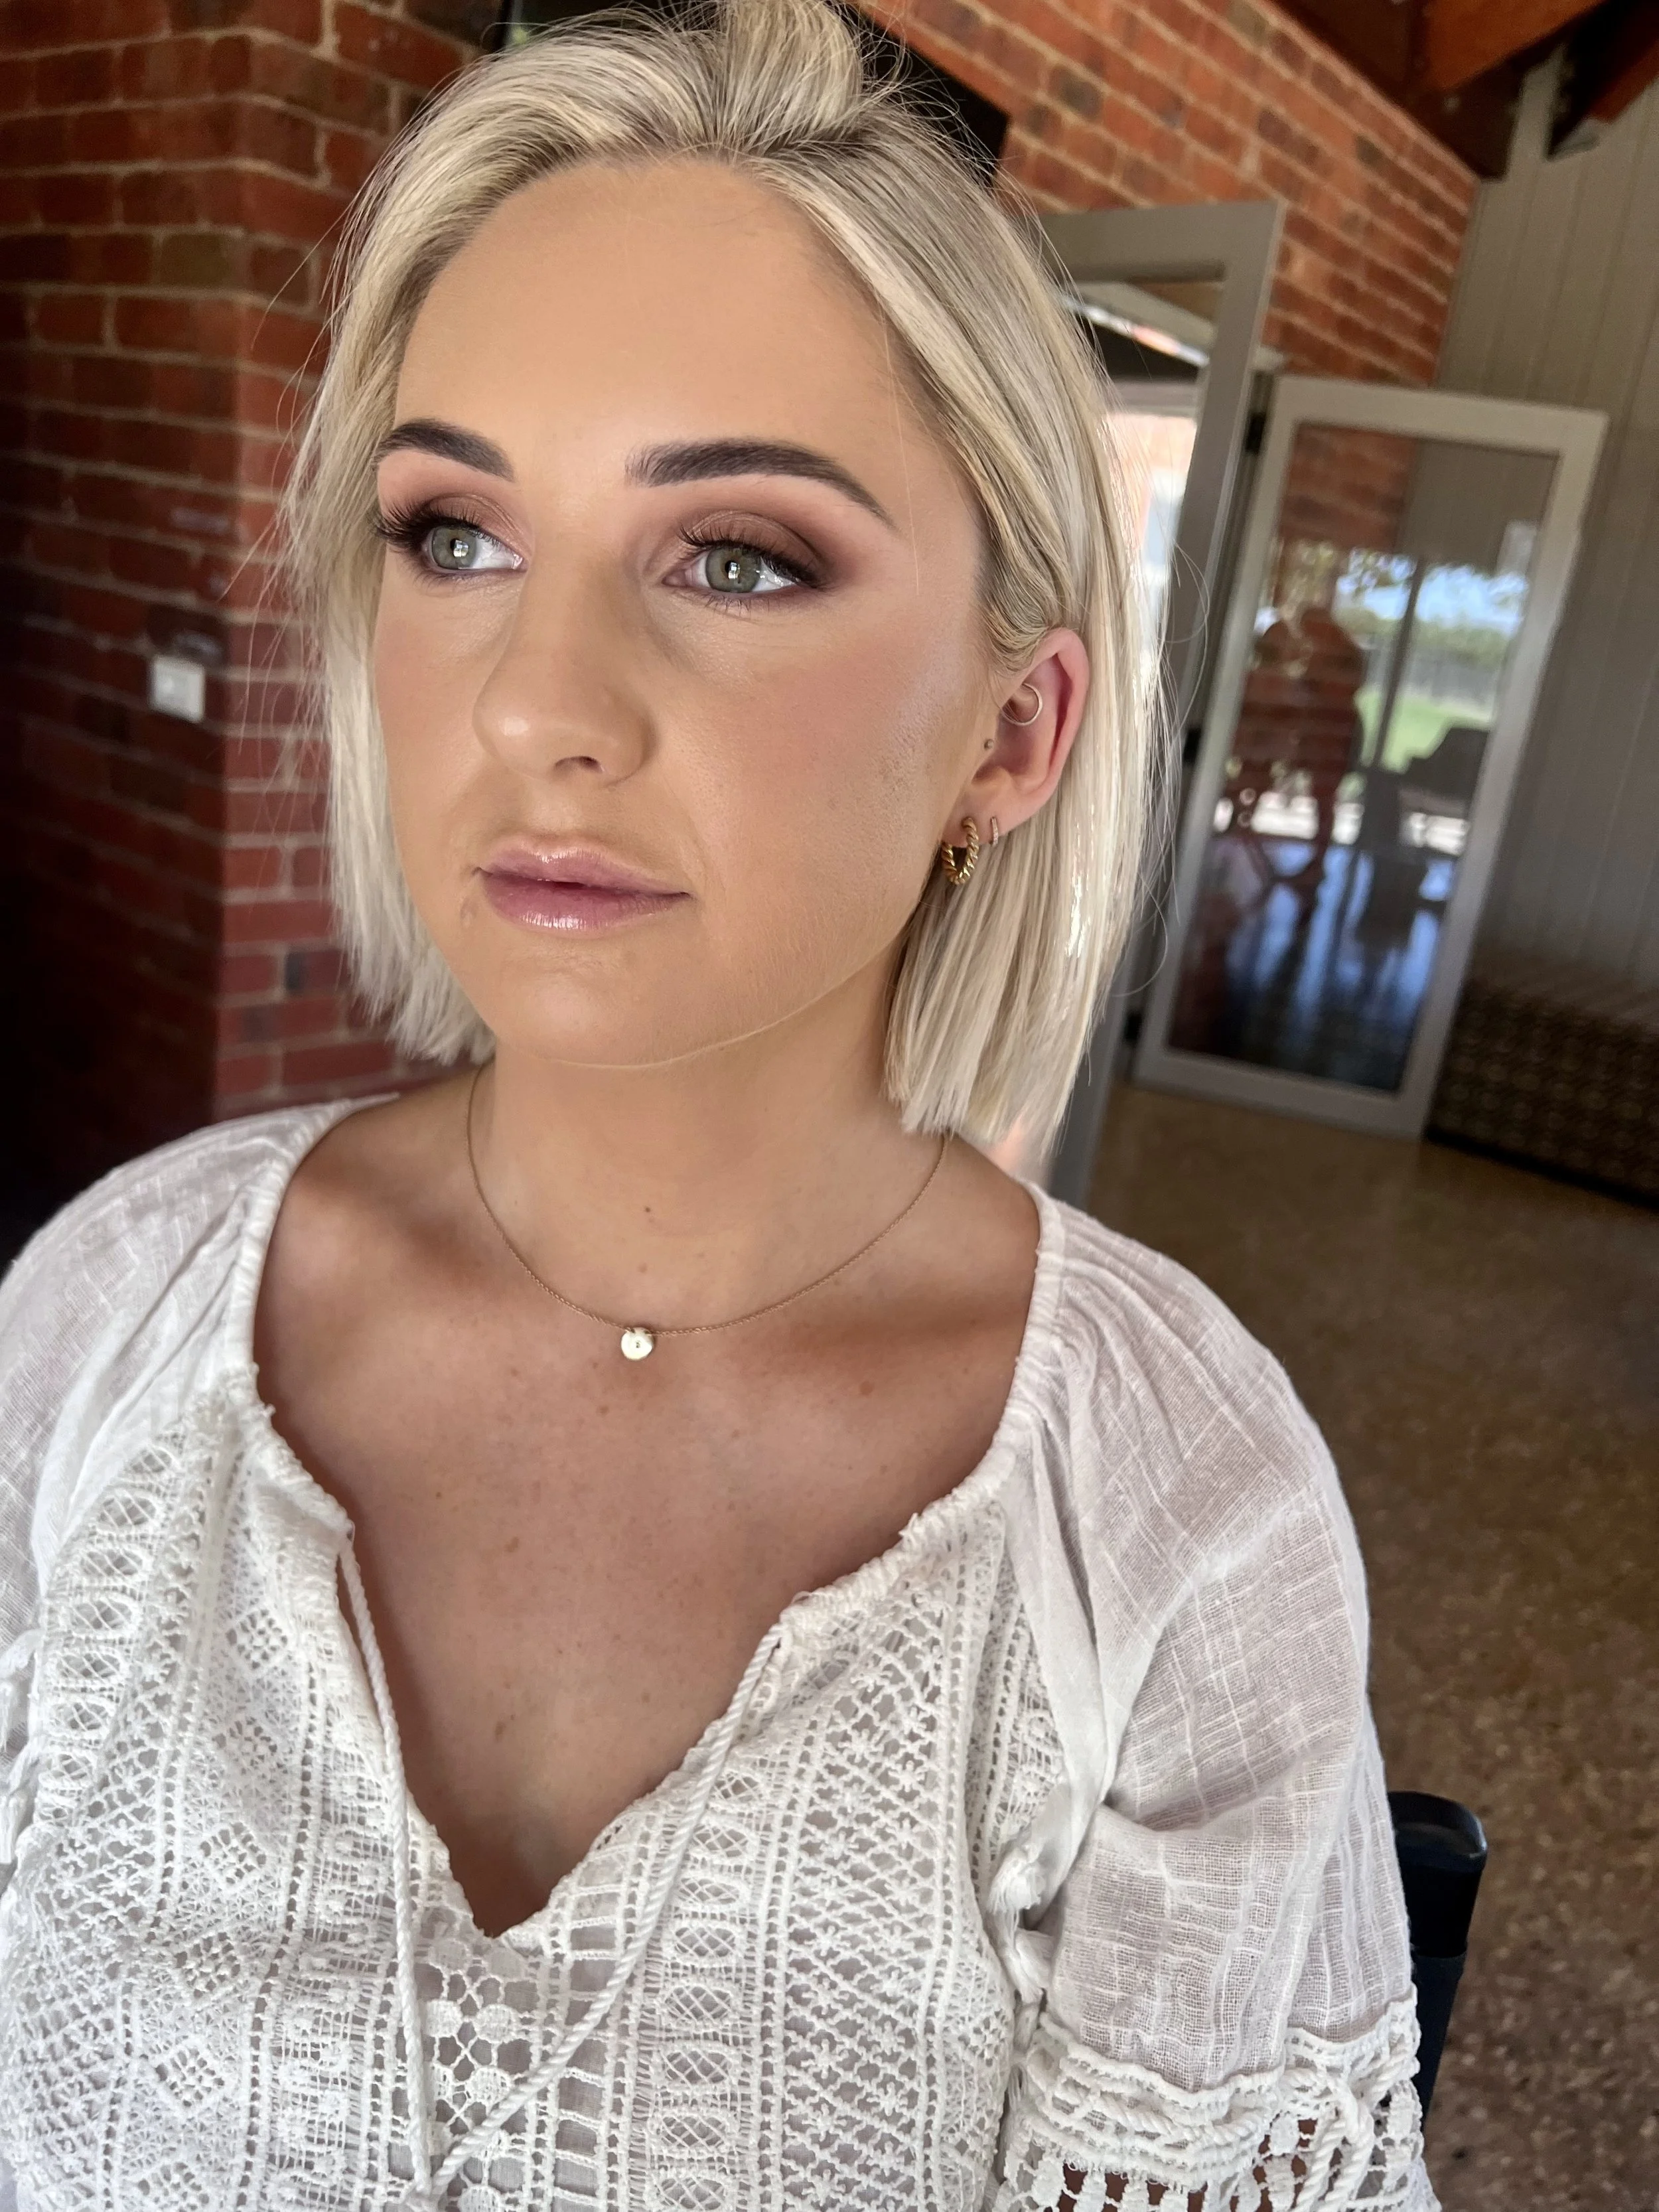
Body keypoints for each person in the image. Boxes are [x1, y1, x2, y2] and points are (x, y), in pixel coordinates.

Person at [0, 3, 1435, 2205]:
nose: (535, 704)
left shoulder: (1172, 1516)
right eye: (453, 534)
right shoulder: (106, 1320)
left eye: (738, 555)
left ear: (1012, 733)